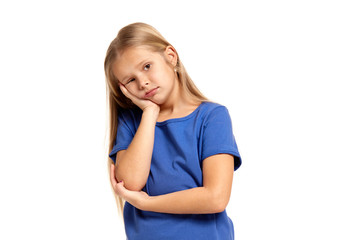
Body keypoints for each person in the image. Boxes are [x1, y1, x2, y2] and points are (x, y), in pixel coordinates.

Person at [104, 22, 241, 240]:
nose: (143, 83)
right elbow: (130, 184)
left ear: (171, 56)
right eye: (131, 80)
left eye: (147, 66)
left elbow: (216, 197)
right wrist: (150, 112)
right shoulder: (131, 122)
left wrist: (147, 203)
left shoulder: (212, 117)